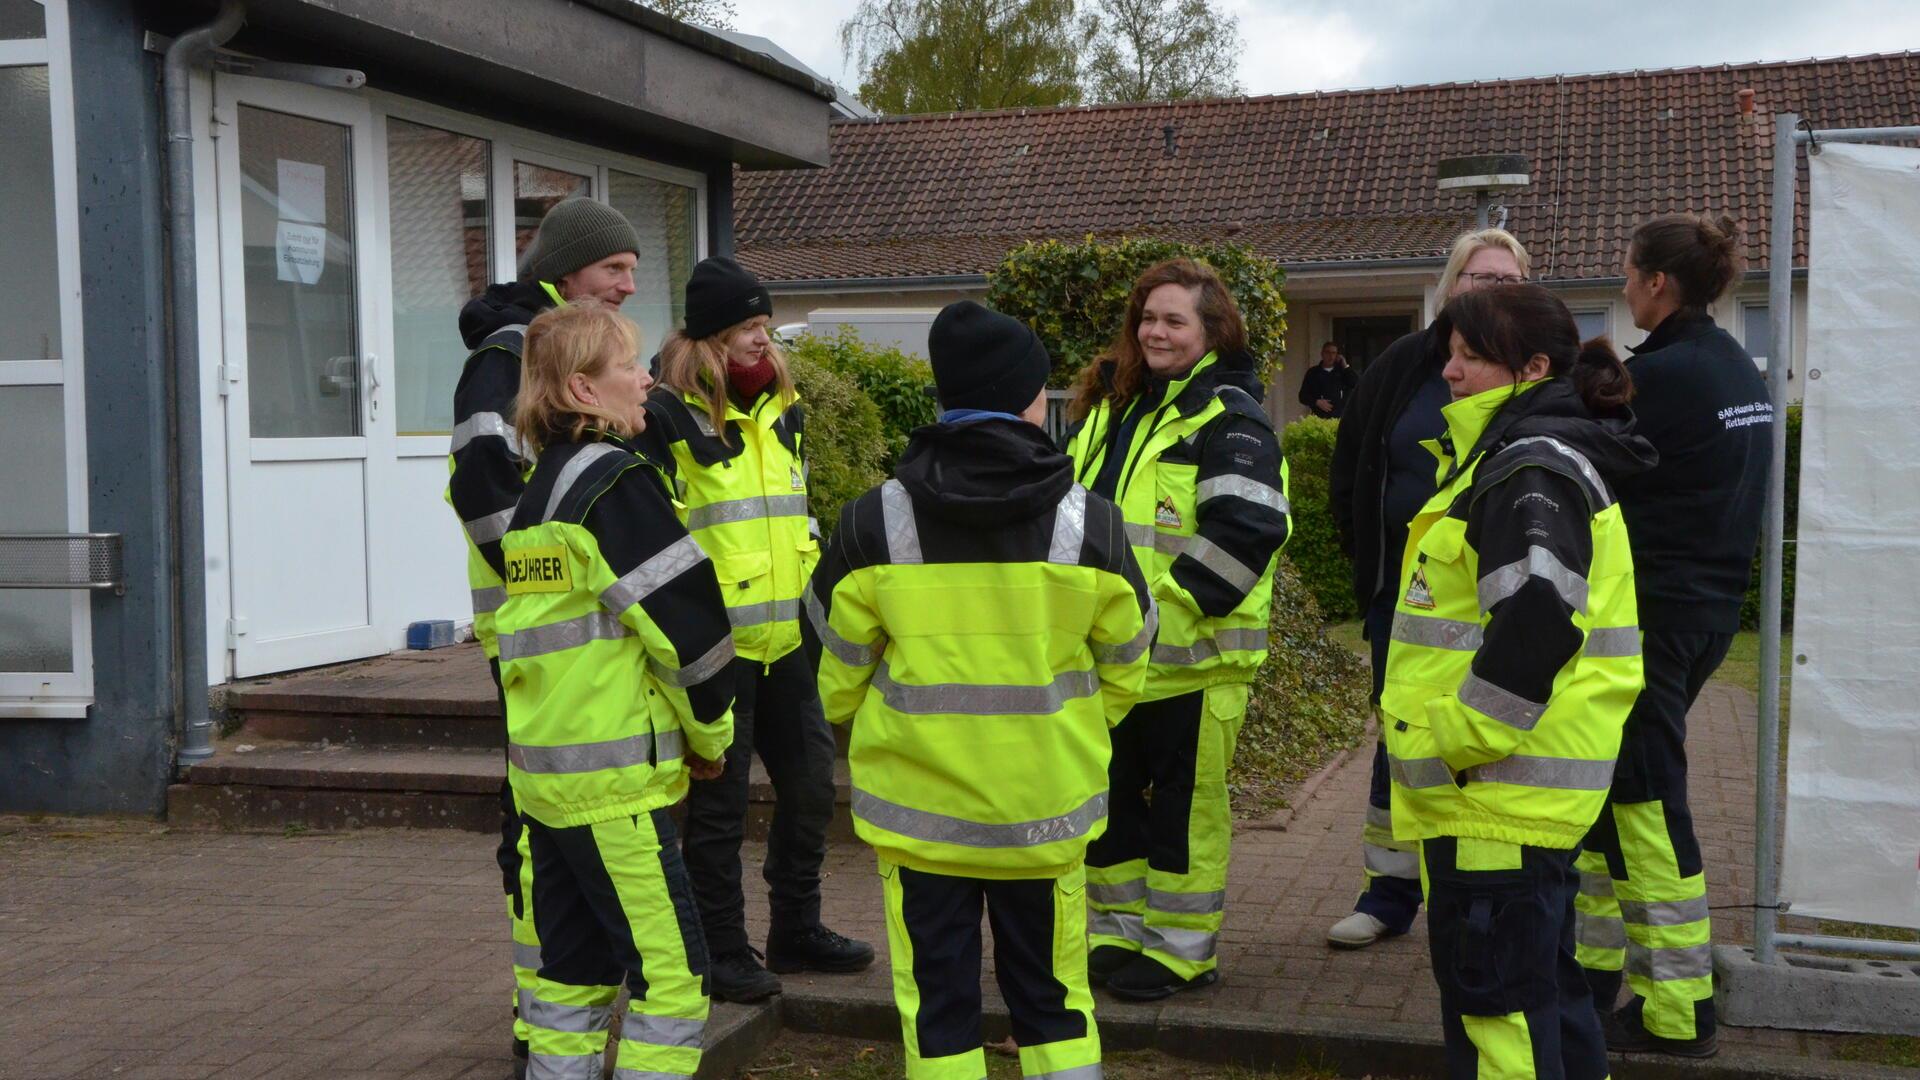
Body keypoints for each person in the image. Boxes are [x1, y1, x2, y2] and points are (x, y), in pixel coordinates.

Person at [806, 299, 1154, 1079]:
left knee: (938, 1007)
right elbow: (1131, 659)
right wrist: (1065, 721)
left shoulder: (872, 522)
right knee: (1056, 1004)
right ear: (1031, 400)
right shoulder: (1090, 524)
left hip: (922, 819)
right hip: (1045, 808)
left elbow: (831, 677)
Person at [1384, 283, 1653, 1079]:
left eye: (1471, 357)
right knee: (1546, 1004)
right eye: (1451, 356)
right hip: (1510, 800)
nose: (1452, 373)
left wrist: (1458, 739)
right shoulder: (1524, 458)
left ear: (1532, 367)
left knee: (1499, 1020)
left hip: (1492, 800)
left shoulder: (1525, 467)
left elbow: (1537, 619)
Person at [495, 301, 736, 1080]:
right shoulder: (615, 484)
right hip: (615, 792)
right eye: (628, 367)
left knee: (568, 986)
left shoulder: (538, 495)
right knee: (673, 986)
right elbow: (692, 636)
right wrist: (712, 737)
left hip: (546, 787)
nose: (647, 380)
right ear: (582, 389)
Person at [445, 196, 642, 1073]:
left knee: (560, 821)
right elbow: (483, 487)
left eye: (633, 272)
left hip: (571, 637)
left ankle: (559, 1010)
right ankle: (540, 1019)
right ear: (564, 275)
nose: (628, 287)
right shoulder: (507, 358)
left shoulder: (562, 351)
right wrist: (546, 579)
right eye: (614, 272)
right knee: (537, 827)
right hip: (537, 639)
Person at [646, 255, 873, 1003]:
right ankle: (720, 950)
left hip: (786, 644)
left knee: (811, 789)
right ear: (711, 336)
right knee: (718, 811)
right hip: (717, 656)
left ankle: (795, 930)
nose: (762, 342)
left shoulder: (785, 411)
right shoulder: (665, 417)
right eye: (748, 327)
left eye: (765, 327)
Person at [1064, 258, 1293, 999]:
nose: (1155, 332)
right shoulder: (1110, 411)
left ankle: (1180, 949)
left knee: (1185, 818)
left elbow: (1245, 536)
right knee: (1112, 803)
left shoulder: (1229, 419)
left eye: (1174, 320)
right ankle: (1118, 932)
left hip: (1193, 662)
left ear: (1212, 330)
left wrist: (1144, 618)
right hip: (1115, 662)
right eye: (1147, 318)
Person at [1574, 214, 1770, 1059]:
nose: (1622, 287)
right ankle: (1586, 973)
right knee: (1608, 795)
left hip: (1650, 614)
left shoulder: (1659, 375)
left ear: (1658, 282)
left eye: (1626, 272)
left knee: (1643, 801)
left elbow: (1595, 463)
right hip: (1710, 613)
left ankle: (1676, 1008)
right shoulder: (1734, 365)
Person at [1325, 228, 1533, 950]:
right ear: (1450, 287)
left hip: (1502, 600)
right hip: (1407, 604)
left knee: (1492, 739)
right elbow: (1352, 462)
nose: (1493, 292)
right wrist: (1370, 561)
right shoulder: (1402, 366)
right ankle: (1387, 895)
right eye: (1480, 279)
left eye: (1508, 280)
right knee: (1401, 742)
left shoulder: (1538, 371)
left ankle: (1474, 898)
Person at [1299, 341, 1357, 418]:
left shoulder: (1342, 372)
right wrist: (1317, 402)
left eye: (1334, 353)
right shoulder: (1313, 373)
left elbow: (1356, 383)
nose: (1331, 356)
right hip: (1319, 417)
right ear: (1322, 354)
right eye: (1328, 352)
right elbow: (1302, 396)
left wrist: (1345, 366)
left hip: (1340, 417)